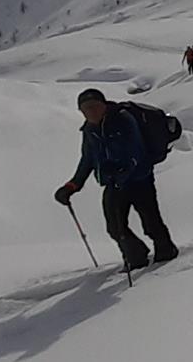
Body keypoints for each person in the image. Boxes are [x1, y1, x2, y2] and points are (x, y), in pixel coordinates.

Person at [56, 88, 178, 269]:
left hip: (140, 179)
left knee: (151, 221)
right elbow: (87, 160)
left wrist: (122, 172)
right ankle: (136, 257)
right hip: (114, 183)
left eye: (94, 106)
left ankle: (166, 254)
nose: (91, 111)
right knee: (115, 227)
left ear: (103, 105)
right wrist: (72, 185)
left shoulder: (123, 120)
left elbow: (136, 153)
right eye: (86, 109)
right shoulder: (89, 130)